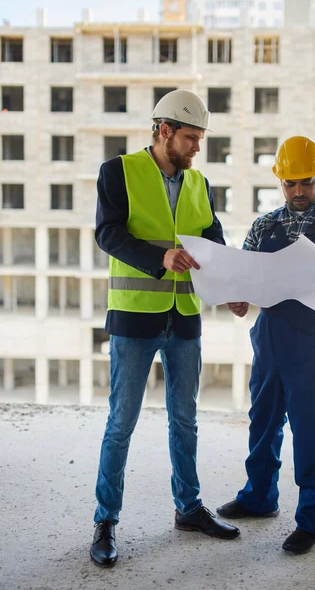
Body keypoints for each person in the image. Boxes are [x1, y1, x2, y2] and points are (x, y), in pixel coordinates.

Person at [90, 89, 240, 568]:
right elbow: (108, 233)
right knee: (122, 423)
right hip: (136, 318)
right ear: (164, 131)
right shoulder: (119, 172)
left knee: (185, 420)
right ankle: (106, 519)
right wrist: (161, 257)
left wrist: (230, 286)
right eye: (191, 138)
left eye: (200, 139)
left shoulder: (199, 183)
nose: (197, 147)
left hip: (186, 318)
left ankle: (189, 508)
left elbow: (212, 242)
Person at [217, 136, 315, 555]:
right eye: (289, 184)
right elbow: (247, 275)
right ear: (280, 183)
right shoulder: (264, 225)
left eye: (305, 182)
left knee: (314, 432)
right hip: (270, 336)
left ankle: (313, 520)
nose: (298, 191)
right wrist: (239, 298)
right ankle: (259, 497)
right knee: (263, 422)